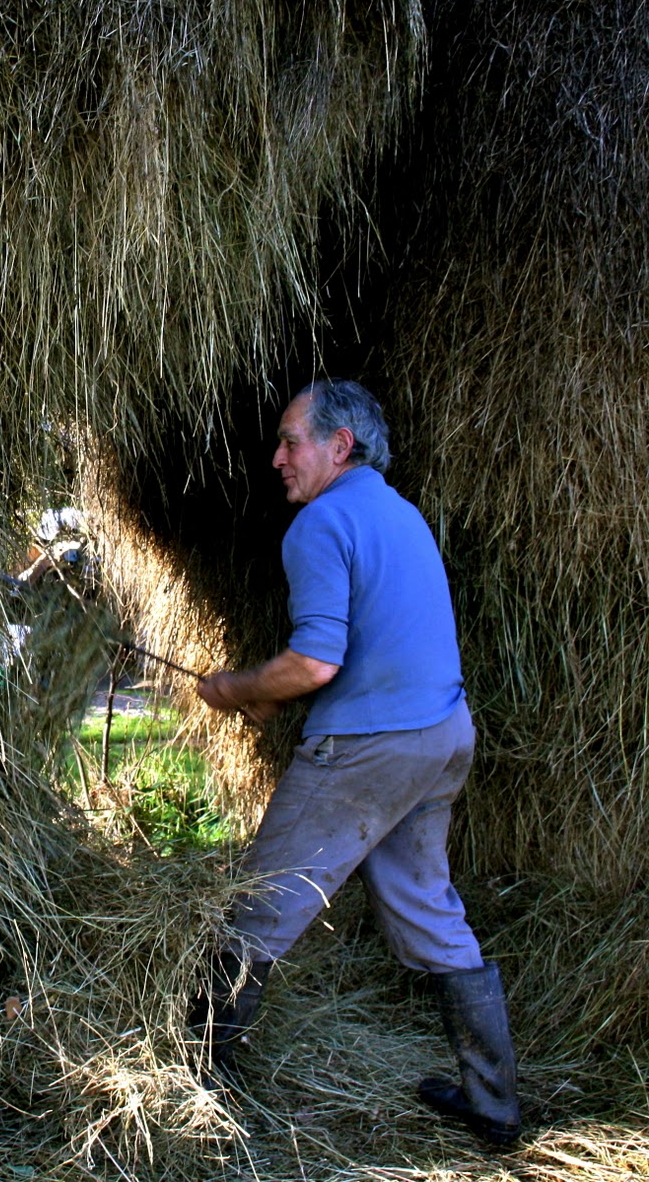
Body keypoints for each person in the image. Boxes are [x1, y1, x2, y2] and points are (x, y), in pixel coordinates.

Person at [191, 379, 520, 1148]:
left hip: (370, 747)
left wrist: (239, 687)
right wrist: (270, 694)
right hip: (441, 734)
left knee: (257, 905)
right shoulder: (400, 516)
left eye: (290, 441)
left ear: (340, 446)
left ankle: (191, 1089)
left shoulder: (320, 522)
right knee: (429, 911)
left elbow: (314, 662)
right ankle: (495, 1103)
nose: (277, 459)